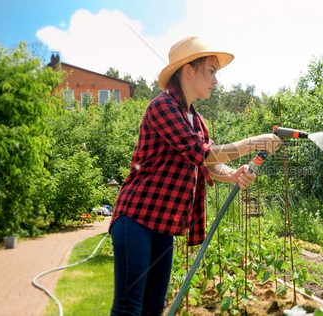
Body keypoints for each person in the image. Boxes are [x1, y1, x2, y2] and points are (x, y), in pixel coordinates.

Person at [108, 36, 282, 316]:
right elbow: (203, 154)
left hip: (163, 227)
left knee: (153, 308)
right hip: (136, 220)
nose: (216, 81)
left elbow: (209, 165)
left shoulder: (197, 120)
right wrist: (252, 143)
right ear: (188, 71)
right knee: (129, 308)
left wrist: (233, 174)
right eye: (211, 72)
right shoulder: (162, 107)